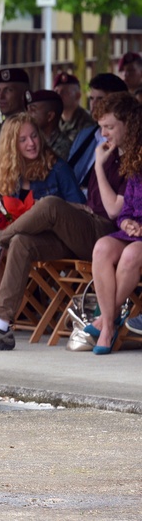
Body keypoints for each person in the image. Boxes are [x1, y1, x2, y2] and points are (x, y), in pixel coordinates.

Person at [0, 94, 136, 350]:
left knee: (48, 204)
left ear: (129, 125)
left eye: (108, 127)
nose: (102, 134)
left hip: (104, 232)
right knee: (23, 242)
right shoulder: (109, 153)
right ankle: (0, 327)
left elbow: (107, 211)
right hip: (71, 235)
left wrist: (97, 167)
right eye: (101, 127)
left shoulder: (122, 160)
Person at [0, 113, 85, 349]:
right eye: (23, 140)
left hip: (54, 239)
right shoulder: (9, 172)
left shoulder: (57, 168)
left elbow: (80, 208)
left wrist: (38, 212)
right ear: (11, 146)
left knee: (5, 243)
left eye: (34, 136)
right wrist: (1, 206)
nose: (31, 143)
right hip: (17, 242)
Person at [90, 105, 142, 355]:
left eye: (109, 127)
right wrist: (125, 222)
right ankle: (110, 321)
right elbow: (124, 209)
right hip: (132, 232)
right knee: (102, 247)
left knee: (131, 254)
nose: (104, 134)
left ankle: (106, 325)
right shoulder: (136, 160)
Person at [66, 73, 130, 185]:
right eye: (91, 98)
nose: (94, 104)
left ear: (119, 102)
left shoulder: (126, 141)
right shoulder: (84, 135)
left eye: (101, 99)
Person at [28, 89, 71, 159]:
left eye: (33, 110)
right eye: (28, 109)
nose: (28, 114)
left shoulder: (63, 147)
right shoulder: (34, 142)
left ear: (50, 116)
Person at [53, 71, 92, 143]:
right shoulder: (52, 122)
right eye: (56, 92)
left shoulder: (87, 123)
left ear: (77, 96)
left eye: (64, 92)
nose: (58, 96)